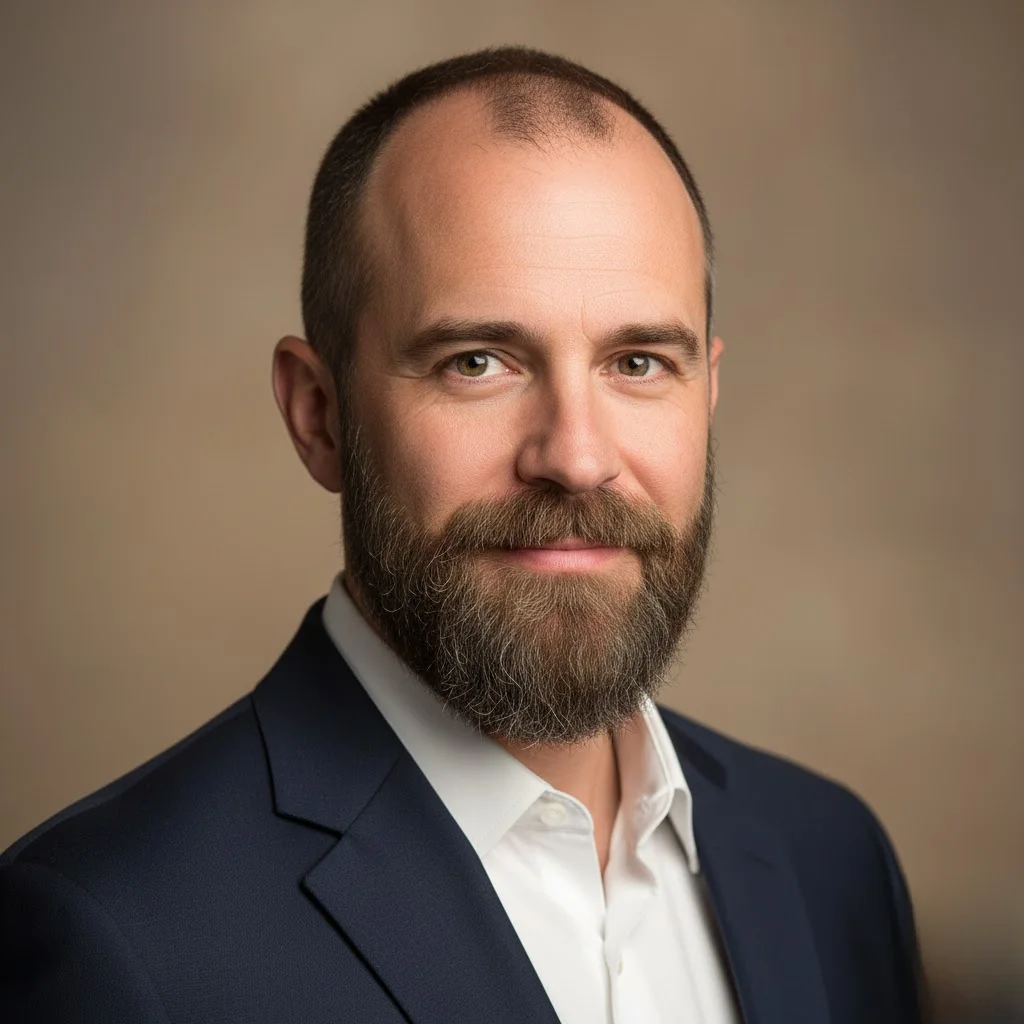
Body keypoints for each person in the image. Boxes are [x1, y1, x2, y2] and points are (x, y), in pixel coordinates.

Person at [0, 46, 923, 1023]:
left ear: (709, 393)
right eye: (477, 361)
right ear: (318, 414)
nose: (575, 456)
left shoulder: (832, 863)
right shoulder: (114, 940)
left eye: (640, 361)